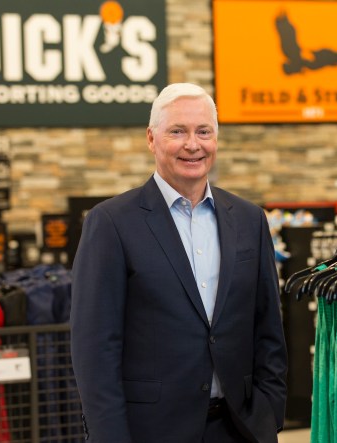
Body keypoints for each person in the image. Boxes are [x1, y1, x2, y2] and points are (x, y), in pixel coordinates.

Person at [70, 83, 288, 442]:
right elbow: (95, 348)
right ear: (151, 138)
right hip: (151, 431)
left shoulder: (249, 219)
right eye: (177, 131)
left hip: (240, 428)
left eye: (204, 131)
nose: (193, 144)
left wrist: (269, 411)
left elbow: (268, 328)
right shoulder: (111, 223)